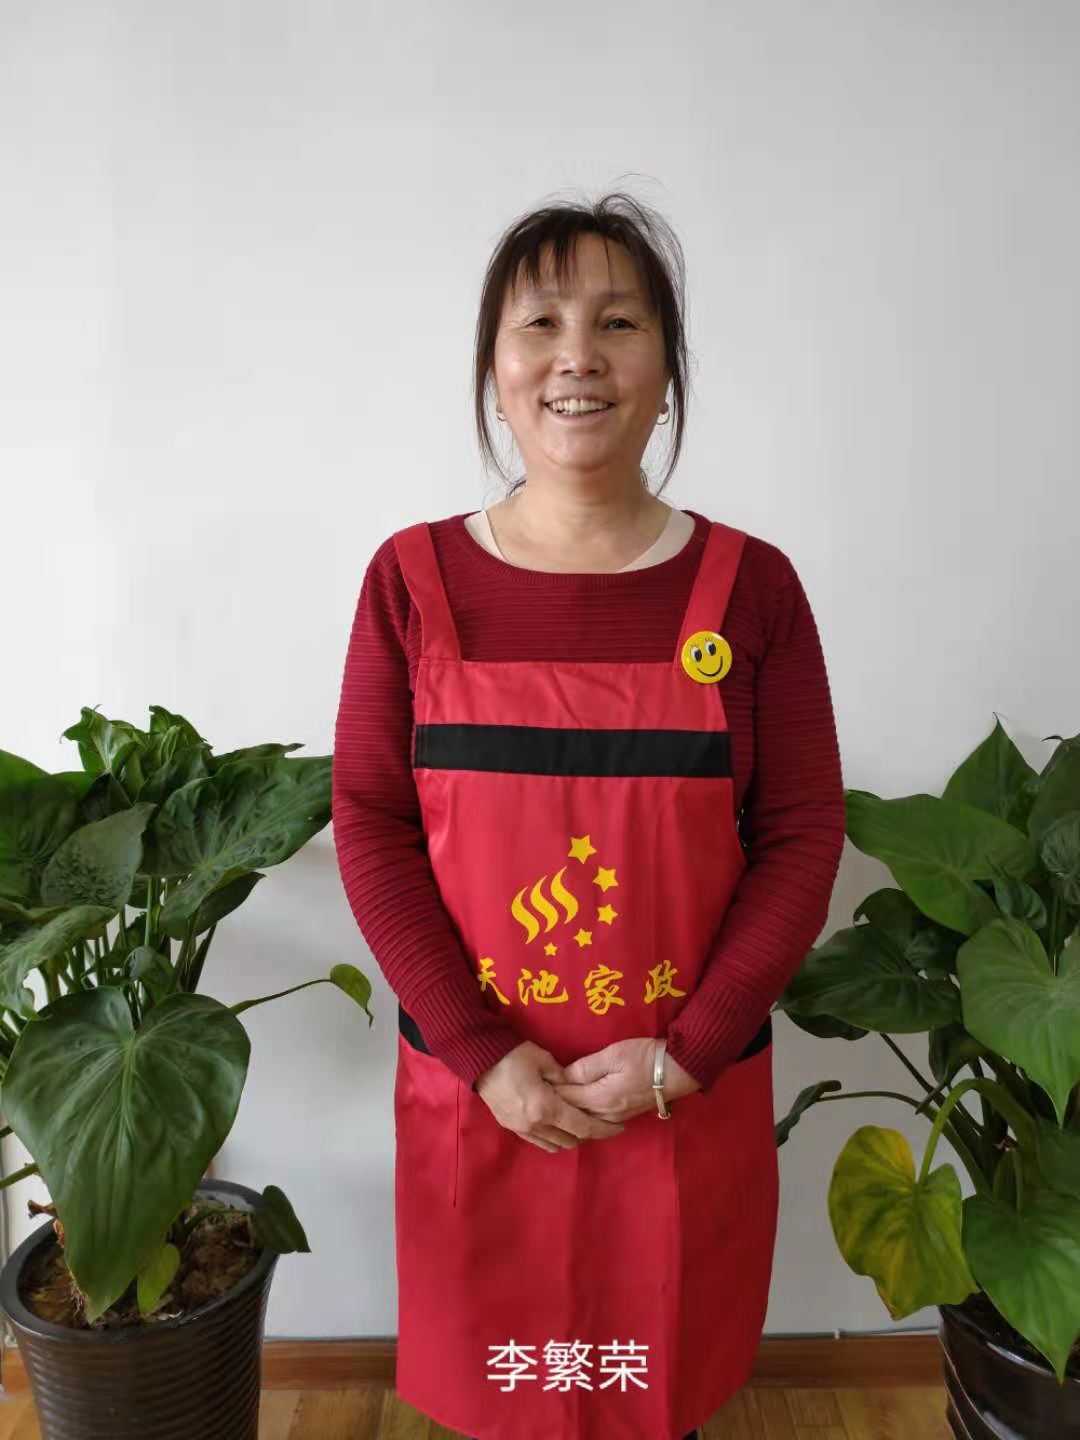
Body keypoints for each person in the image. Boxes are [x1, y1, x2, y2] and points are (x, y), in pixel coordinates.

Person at [332, 192, 845, 1440]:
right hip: (482, 1097)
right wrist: (480, 1050)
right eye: (541, 324)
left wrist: (691, 1050)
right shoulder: (411, 582)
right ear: (494, 371)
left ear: (667, 371)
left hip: (680, 1096)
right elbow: (370, 821)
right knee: (508, 1391)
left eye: (619, 323)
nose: (579, 357)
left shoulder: (753, 588)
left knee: (654, 1390)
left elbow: (801, 833)